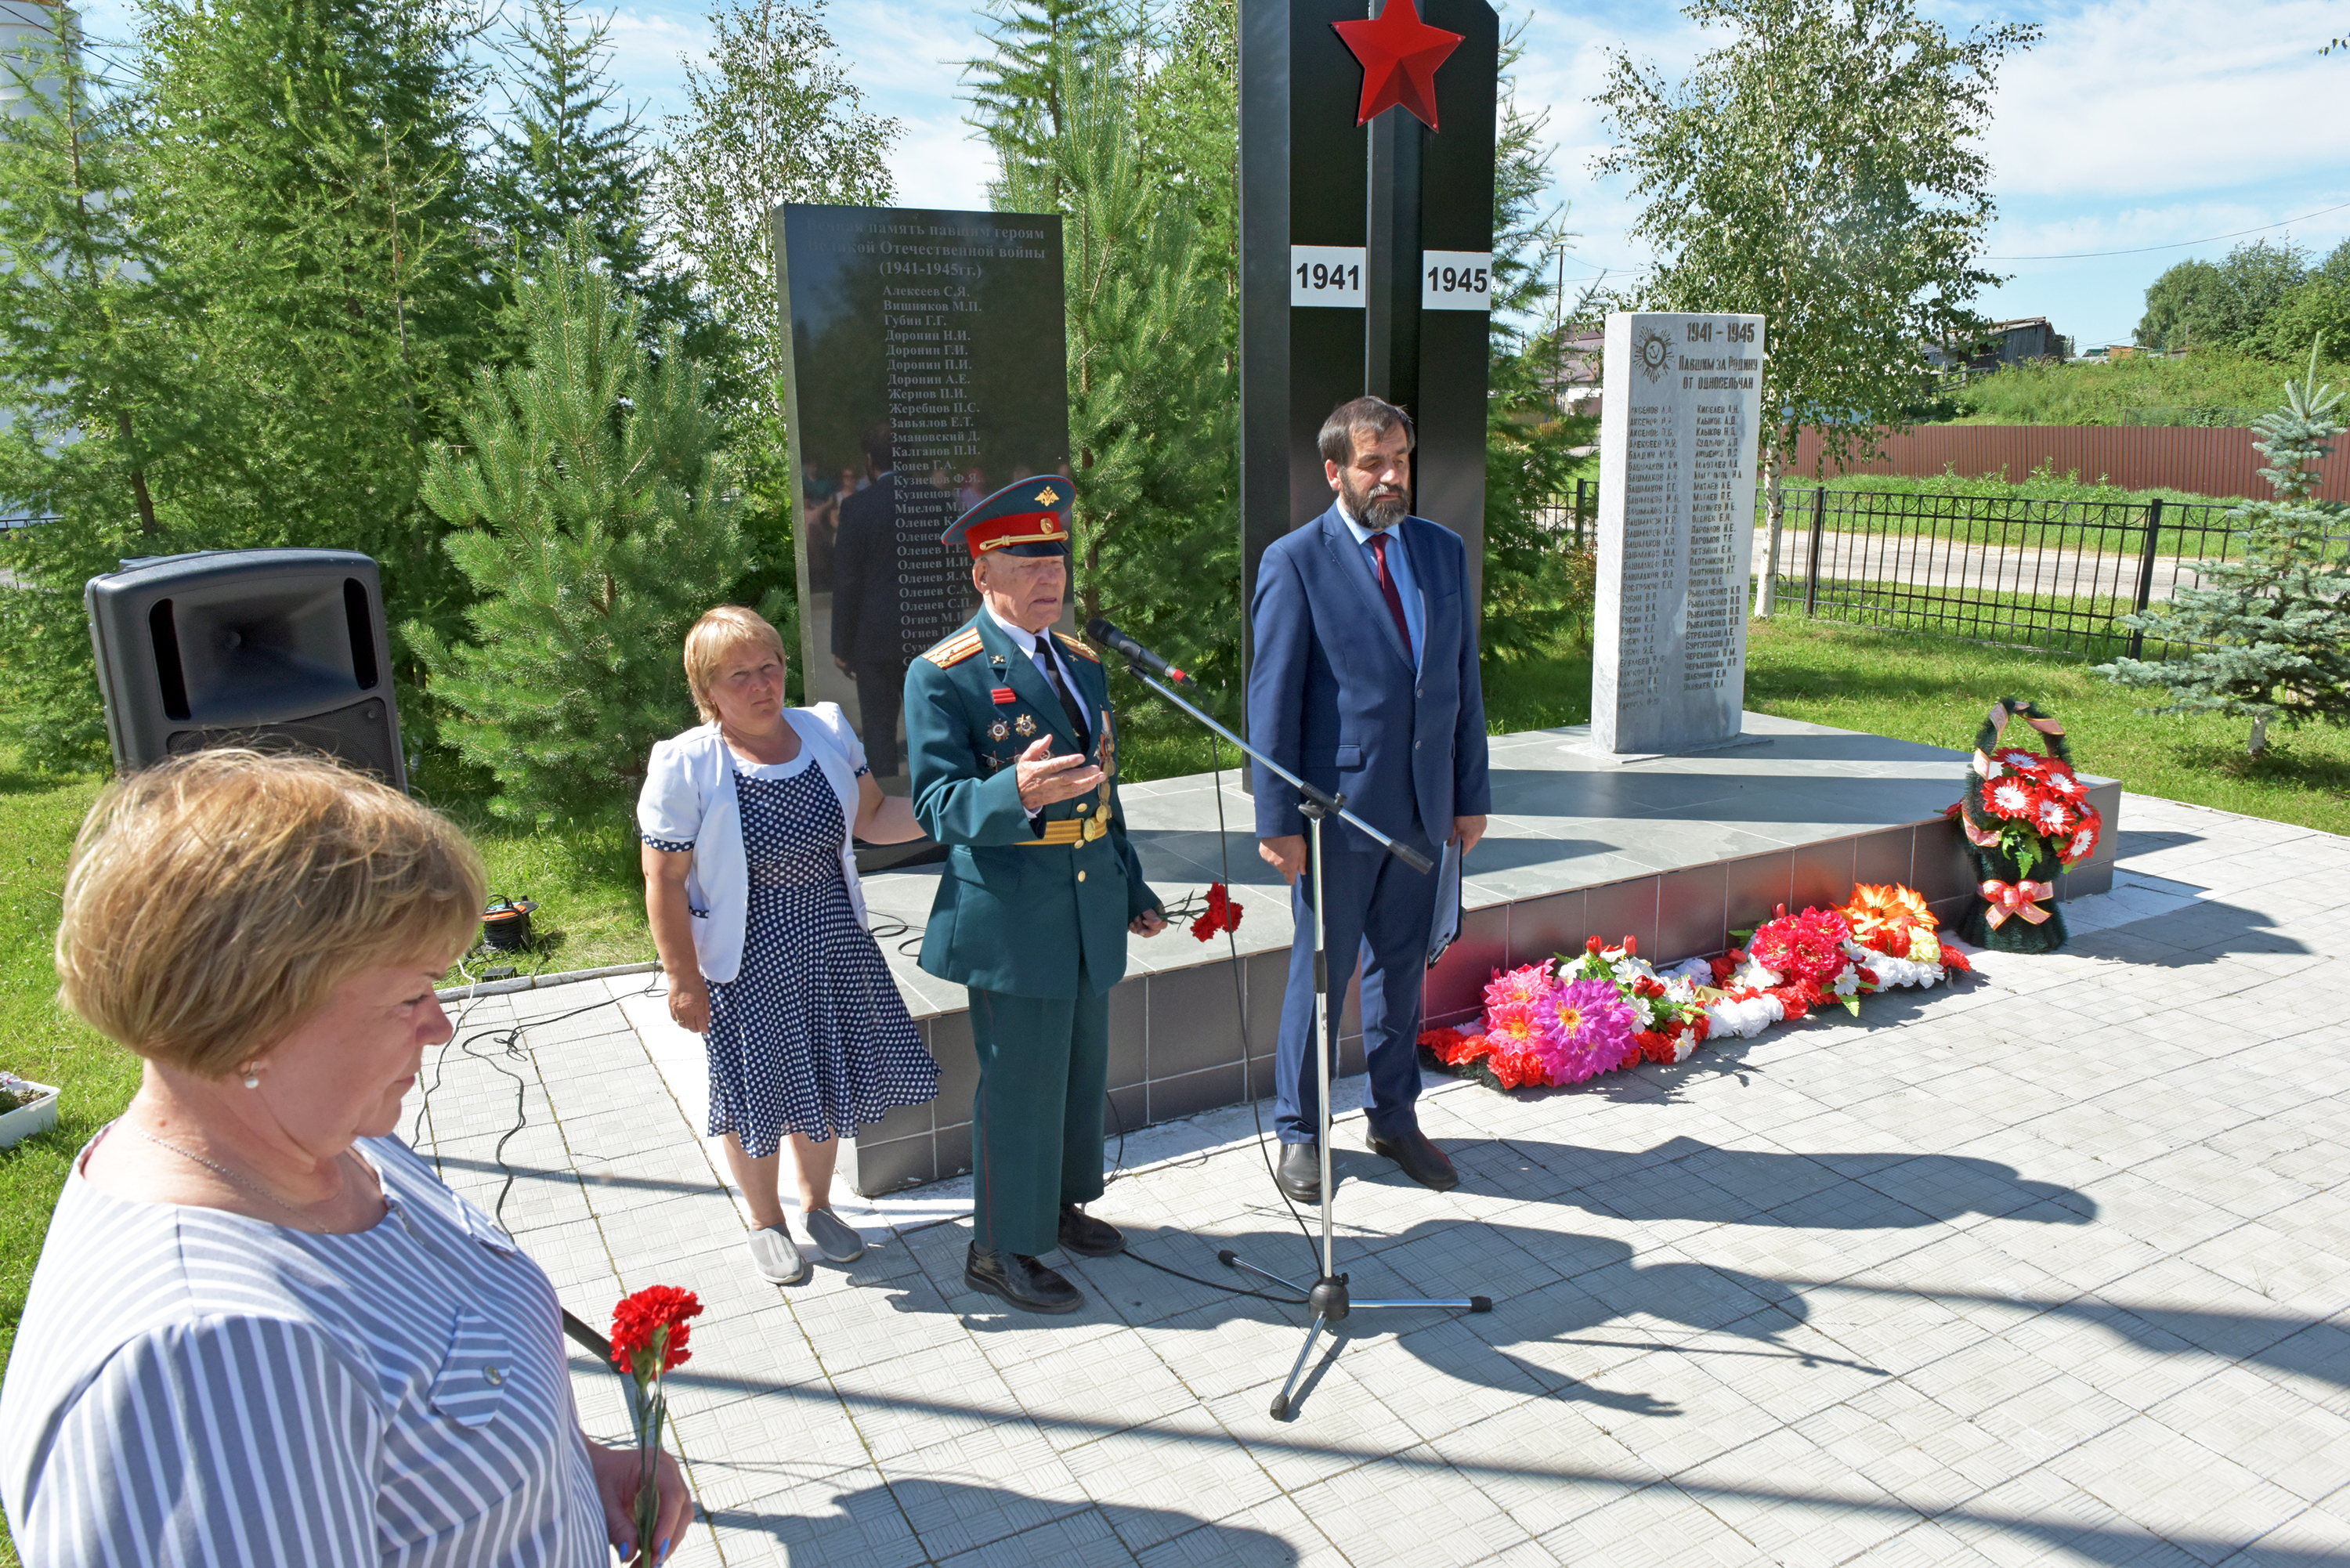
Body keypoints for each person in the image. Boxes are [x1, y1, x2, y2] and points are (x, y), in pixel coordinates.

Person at [0, 750, 692, 1566]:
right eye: (410, 996)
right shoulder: (209, 1361)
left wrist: (563, 1471)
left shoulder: (333, 1143)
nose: (441, 1026)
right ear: (254, 1012)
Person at [904, 479, 1168, 1313]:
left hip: (1088, 903)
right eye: (1027, 557)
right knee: (1020, 1084)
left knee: (1079, 1072)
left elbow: (1103, 790)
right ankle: (998, 1245)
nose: (1049, 573)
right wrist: (1013, 791)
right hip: (1014, 915)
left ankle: (1053, 1204)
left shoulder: (1082, 663)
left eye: (1056, 555)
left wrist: (1132, 885)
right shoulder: (943, 674)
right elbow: (936, 806)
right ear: (983, 572)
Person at [639, 606, 938, 1286]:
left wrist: (962, 804)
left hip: (832, 939)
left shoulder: (824, 730)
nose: (760, 684)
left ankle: (820, 1206)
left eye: (769, 667)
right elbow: (664, 881)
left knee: (826, 1080)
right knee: (755, 1092)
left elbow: (873, 818)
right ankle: (765, 1219)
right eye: (738, 675)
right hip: (747, 957)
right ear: (707, 689)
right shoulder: (687, 764)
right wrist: (681, 976)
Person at [1249, 395, 1491, 1203]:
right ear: (1335, 472)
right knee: (1322, 975)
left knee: (1401, 971)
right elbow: (1272, 702)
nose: (1392, 477)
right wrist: (1277, 822)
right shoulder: (1295, 561)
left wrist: (1469, 793)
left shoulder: (1440, 551)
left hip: (1424, 811)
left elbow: (1462, 683)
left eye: (1402, 460)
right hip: (1336, 818)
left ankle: (1393, 1115)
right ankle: (1300, 1130)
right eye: (1372, 463)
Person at [830, 423, 909, 777]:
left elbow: (847, 581)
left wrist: (842, 646)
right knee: (937, 724)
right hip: (930, 635)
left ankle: (888, 811)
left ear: (869, 462)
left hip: (875, 639)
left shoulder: (857, 507)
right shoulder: (937, 501)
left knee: (878, 731)